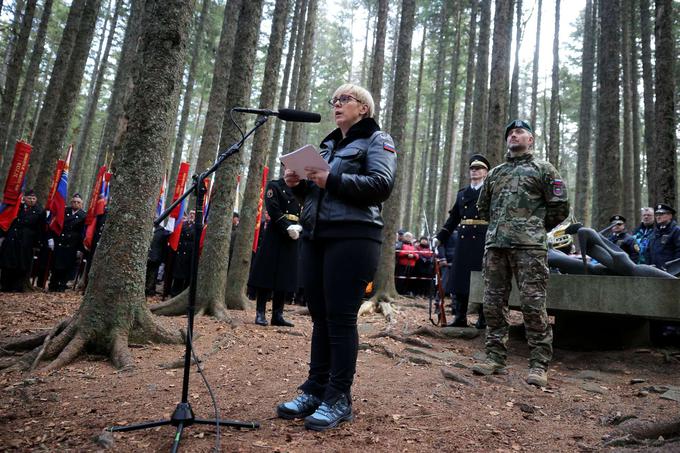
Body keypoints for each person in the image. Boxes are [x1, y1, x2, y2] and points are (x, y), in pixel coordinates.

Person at [276, 84, 397, 431]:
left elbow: (381, 185)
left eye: (345, 99)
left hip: (355, 236)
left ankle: (338, 397)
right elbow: (317, 194)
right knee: (320, 317)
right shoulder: (327, 145)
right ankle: (315, 389)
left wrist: (332, 179)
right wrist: (297, 183)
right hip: (316, 236)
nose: (337, 105)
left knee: (341, 318)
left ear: (364, 108)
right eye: (334, 101)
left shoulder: (377, 140)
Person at [473, 120, 569, 388]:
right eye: (510, 133)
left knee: (532, 305)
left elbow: (560, 208)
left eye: (519, 132)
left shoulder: (544, 170)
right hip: (496, 247)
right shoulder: (496, 173)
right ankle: (495, 358)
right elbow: (484, 208)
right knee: (492, 304)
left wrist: (533, 228)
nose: (513, 135)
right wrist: (500, 229)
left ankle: (538, 364)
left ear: (531, 139)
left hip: (530, 248)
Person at [435, 154, 490, 328]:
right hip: (464, 241)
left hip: (483, 240)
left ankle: (483, 318)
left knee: (483, 280)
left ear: (486, 173)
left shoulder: (490, 193)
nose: (474, 171)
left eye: (479, 169)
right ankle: (460, 317)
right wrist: (440, 238)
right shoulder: (462, 194)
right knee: (460, 279)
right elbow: (453, 220)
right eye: (472, 169)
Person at [248, 177, 301, 327]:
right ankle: (260, 313)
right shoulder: (275, 185)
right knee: (266, 273)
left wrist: (300, 227)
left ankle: (278, 315)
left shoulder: (302, 188)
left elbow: (306, 208)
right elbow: (273, 208)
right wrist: (287, 227)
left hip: (294, 234)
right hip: (275, 232)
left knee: (285, 275)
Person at [0, 190, 45, 291]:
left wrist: (38, 243)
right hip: (12, 238)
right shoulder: (17, 208)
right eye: (29, 198)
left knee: (21, 265)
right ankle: (4, 285)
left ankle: (16, 287)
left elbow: (40, 229)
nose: (32, 200)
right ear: (24, 198)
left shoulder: (39, 211)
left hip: (27, 241)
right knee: (7, 263)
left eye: (34, 199)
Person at [48, 194, 86, 291]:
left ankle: (62, 285)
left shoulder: (84, 215)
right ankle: (53, 284)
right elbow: (56, 224)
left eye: (78, 202)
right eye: (74, 202)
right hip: (60, 241)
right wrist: (51, 238)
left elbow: (83, 234)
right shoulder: (64, 211)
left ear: (82, 204)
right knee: (56, 264)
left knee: (67, 266)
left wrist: (80, 249)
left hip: (73, 244)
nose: (76, 204)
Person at [643, 203, 680, 270]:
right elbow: (648, 251)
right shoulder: (655, 232)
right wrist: (648, 266)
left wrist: (674, 269)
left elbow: (678, 252)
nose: (658, 217)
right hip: (654, 271)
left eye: (661, 214)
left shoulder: (676, 231)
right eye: (657, 214)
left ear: (670, 216)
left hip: (670, 273)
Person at [170, 211, 195, 296]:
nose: (192, 215)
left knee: (185, 276)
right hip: (180, 253)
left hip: (188, 254)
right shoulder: (183, 224)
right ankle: (174, 292)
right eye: (191, 213)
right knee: (177, 275)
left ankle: (181, 293)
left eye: (194, 214)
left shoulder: (196, 227)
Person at [146, 224, 171, 295]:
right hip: (148, 255)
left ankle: (150, 290)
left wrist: (163, 259)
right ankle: (148, 289)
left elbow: (164, 247)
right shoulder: (149, 227)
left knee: (153, 274)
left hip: (155, 257)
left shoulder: (162, 231)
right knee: (148, 274)